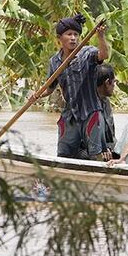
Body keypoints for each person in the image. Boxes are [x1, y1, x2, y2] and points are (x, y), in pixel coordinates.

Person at [29, 14, 110, 160]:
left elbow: (104, 54)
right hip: (70, 115)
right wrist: (37, 95)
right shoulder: (55, 61)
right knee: (63, 154)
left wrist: (101, 36)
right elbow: (50, 87)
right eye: (69, 34)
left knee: (95, 154)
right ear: (60, 38)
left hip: (90, 112)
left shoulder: (87, 53)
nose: (73, 38)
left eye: (76, 34)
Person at [96, 64, 117, 159]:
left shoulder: (106, 102)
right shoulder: (88, 105)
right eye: (114, 82)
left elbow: (110, 133)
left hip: (109, 148)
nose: (114, 86)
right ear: (107, 82)